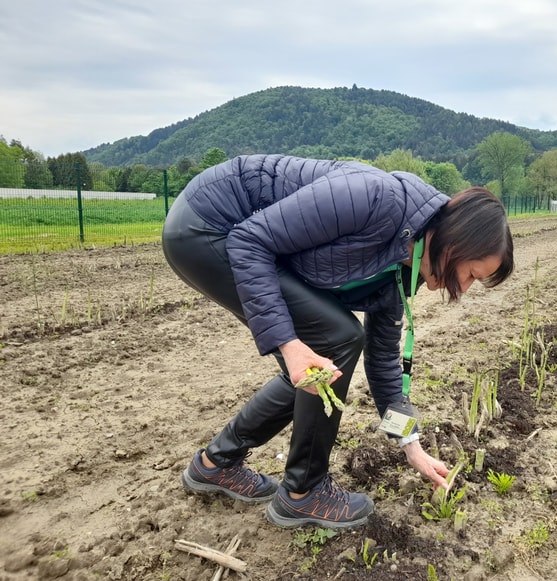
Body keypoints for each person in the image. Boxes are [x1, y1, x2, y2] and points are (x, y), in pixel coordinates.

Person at [161, 154, 514, 529]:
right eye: (471, 274)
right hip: (208, 226)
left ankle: (216, 463)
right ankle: (303, 492)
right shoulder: (375, 199)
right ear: (455, 241)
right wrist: (288, 343)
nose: (464, 287)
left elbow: (383, 364)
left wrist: (411, 445)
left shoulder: (401, 268)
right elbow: (250, 241)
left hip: (226, 234)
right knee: (337, 338)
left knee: (318, 366)